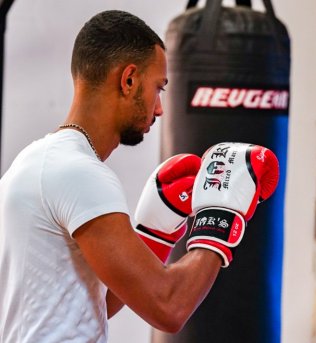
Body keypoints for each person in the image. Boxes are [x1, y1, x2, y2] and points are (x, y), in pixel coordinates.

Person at [0, 10, 279, 342]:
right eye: (158, 88)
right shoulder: (79, 173)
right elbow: (168, 307)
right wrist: (219, 218)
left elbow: (93, 304)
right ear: (128, 79)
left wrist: (154, 234)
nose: (159, 108)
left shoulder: (36, 161)